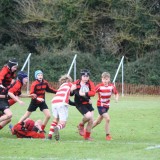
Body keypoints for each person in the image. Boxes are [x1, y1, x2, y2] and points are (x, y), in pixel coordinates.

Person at [48, 74, 76, 141]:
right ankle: (57, 128)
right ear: (68, 80)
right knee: (63, 123)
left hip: (54, 102)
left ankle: (49, 136)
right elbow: (74, 88)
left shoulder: (61, 87)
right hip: (62, 103)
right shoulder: (69, 84)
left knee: (55, 119)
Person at [92, 72, 119, 140]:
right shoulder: (99, 86)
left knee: (98, 121)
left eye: (106, 79)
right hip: (100, 105)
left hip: (107, 106)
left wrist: (116, 98)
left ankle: (86, 130)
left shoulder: (111, 86)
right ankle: (108, 136)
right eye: (104, 79)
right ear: (101, 79)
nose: (105, 81)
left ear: (109, 79)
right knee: (107, 118)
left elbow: (116, 93)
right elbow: (92, 92)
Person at [73, 69, 96, 140]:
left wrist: (85, 94)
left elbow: (93, 93)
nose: (85, 78)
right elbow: (75, 93)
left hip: (88, 103)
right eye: (84, 76)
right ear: (81, 76)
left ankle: (87, 136)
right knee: (88, 116)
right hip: (79, 103)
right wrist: (71, 90)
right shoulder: (76, 83)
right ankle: (81, 125)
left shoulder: (90, 83)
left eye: (87, 76)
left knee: (91, 120)